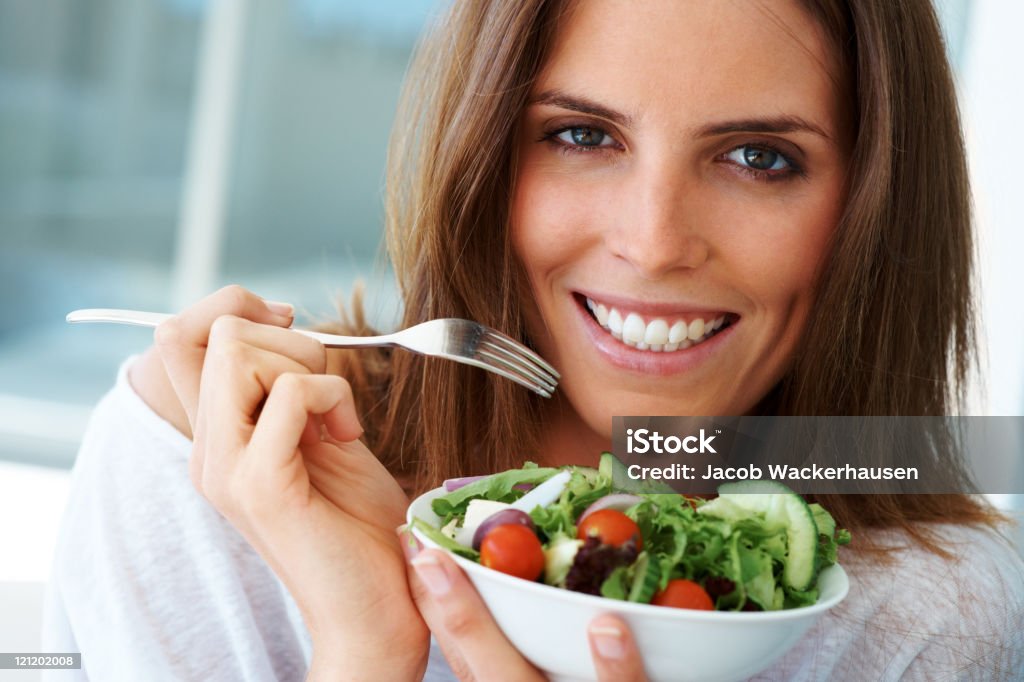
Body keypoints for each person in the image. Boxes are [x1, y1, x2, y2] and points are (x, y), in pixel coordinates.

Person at [43, 0, 1024, 680]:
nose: (651, 241)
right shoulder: (214, 467)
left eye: (758, 157)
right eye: (582, 135)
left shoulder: (928, 609)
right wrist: (363, 650)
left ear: (871, 205)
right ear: (484, 152)